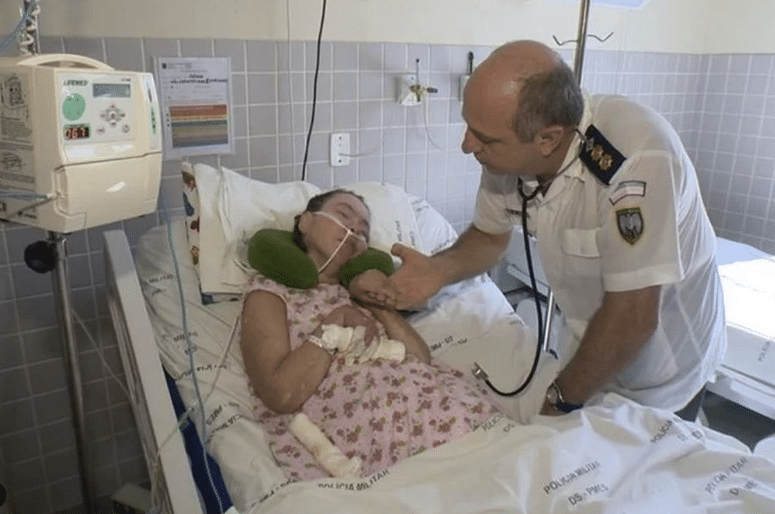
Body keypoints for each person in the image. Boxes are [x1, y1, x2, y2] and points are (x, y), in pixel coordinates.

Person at [369, 40, 726, 421]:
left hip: (661, 372)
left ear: (549, 139)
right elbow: (490, 236)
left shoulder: (635, 162)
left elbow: (632, 318)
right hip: (588, 347)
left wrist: (561, 400)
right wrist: (439, 270)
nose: (466, 145)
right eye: (468, 127)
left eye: (483, 138)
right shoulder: (506, 153)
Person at [239, 189, 502, 481]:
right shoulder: (270, 292)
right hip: (363, 425)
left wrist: (378, 305)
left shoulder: (361, 292)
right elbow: (280, 394)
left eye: (363, 230)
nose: (353, 230)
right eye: (343, 215)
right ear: (306, 222)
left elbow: (421, 360)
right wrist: (335, 322)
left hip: (439, 408)